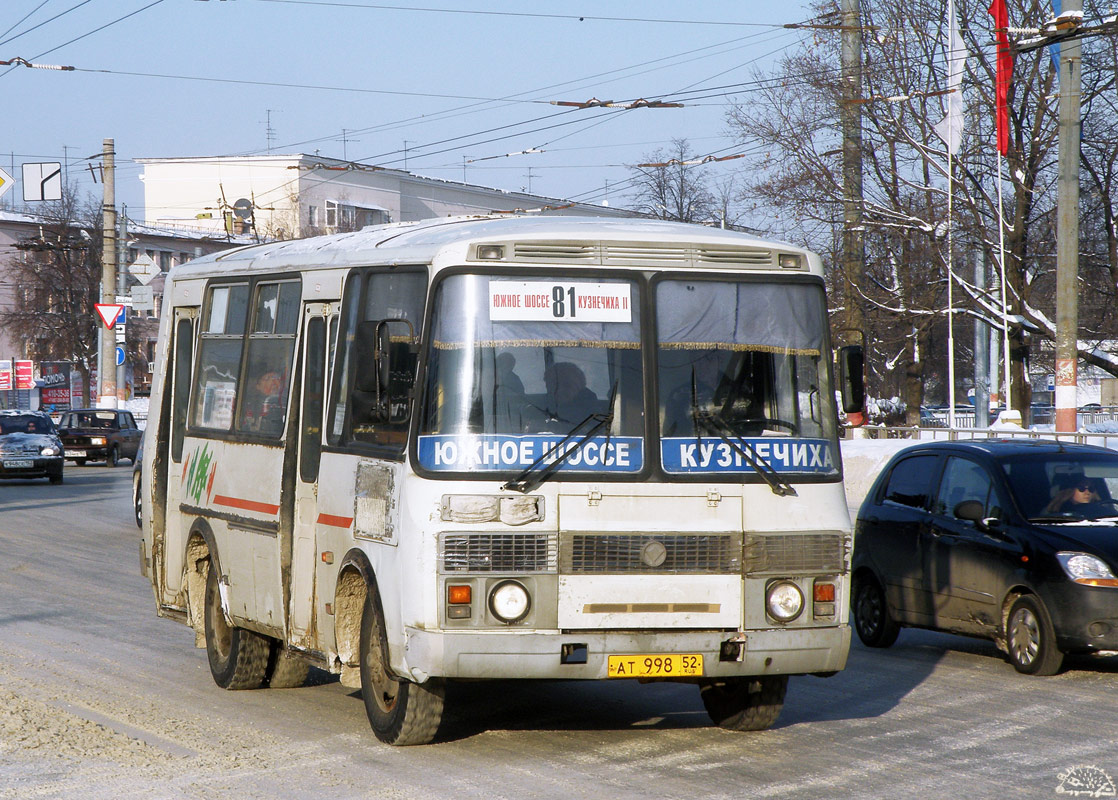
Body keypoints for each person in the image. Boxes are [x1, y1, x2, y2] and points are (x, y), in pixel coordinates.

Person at [543, 362, 600, 426]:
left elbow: (597, 429)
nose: (560, 389)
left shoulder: (589, 404)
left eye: (566, 385)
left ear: (580, 386)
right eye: (553, 384)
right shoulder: (539, 405)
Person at [1044, 476, 1113, 517]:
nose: (1087, 493)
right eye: (1081, 489)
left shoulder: (1101, 511)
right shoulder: (1055, 511)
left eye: (1091, 489)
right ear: (1071, 491)